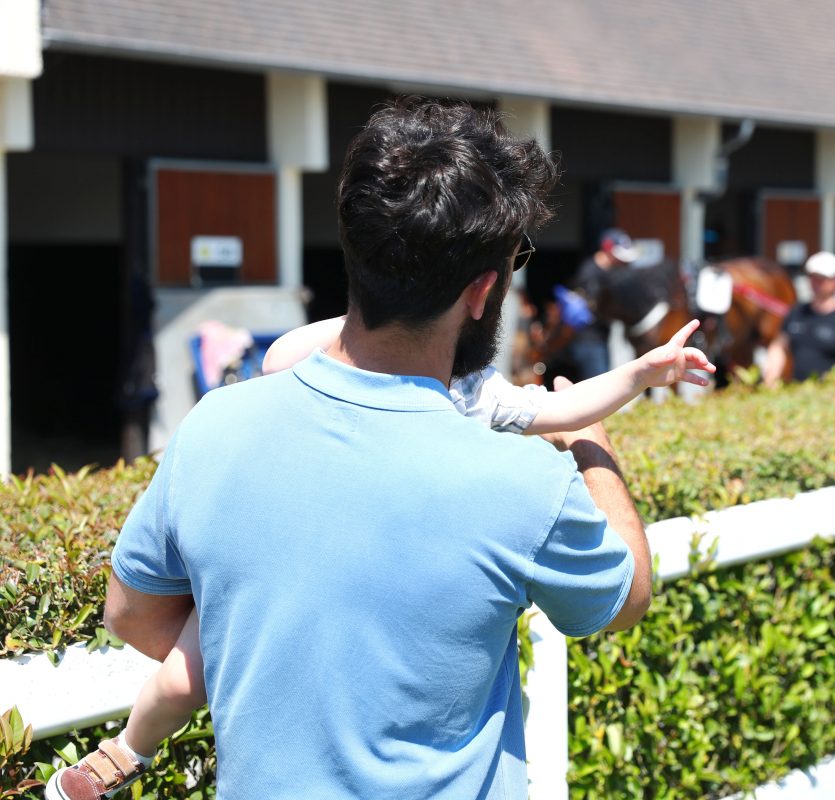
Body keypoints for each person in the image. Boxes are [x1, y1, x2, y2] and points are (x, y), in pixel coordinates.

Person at [47, 99, 660, 800]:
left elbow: (130, 614)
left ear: (358, 255)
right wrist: (591, 447)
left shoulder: (214, 426)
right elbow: (625, 599)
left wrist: (282, 665)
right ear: (483, 290)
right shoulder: (522, 479)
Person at [763, 251, 835, 386]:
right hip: (798, 392)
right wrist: (770, 380)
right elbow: (779, 347)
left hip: (832, 393)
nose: (816, 283)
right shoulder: (796, 314)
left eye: (822, 279)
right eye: (812, 277)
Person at [559, 228, 641, 380]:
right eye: (619, 257)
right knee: (596, 385)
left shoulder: (608, 273)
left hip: (600, 339)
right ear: (607, 248)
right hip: (588, 340)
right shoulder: (590, 273)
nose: (623, 263)